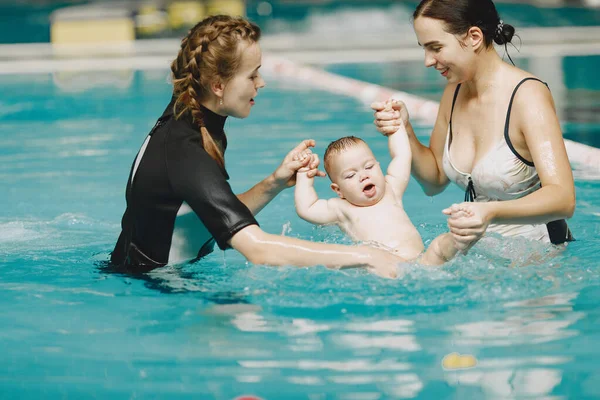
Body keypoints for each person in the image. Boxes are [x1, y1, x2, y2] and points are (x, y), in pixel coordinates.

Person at [110, 15, 399, 278]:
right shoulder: (187, 152)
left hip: (141, 274)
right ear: (218, 86)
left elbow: (206, 213)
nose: (261, 83)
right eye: (252, 75)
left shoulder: (188, 116)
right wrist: (366, 256)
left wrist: (274, 182)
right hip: (156, 286)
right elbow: (257, 249)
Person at [372, 0, 575, 251]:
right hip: (486, 255)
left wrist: (489, 212)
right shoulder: (454, 92)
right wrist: (405, 131)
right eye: (424, 49)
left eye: (435, 47)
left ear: (474, 37)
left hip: (544, 261)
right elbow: (434, 181)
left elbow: (563, 198)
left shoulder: (527, 96)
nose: (427, 60)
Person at [294, 101, 460, 266]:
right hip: (384, 266)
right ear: (338, 190)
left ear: (379, 166)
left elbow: (401, 155)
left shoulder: (391, 189)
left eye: (369, 166)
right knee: (376, 263)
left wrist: (396, 126)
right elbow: (306, 208)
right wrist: (303, 174)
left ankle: (466, 232)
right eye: (351, 175)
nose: (364, 176)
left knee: (440, 245)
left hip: (422, 261)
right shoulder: (341, 209)